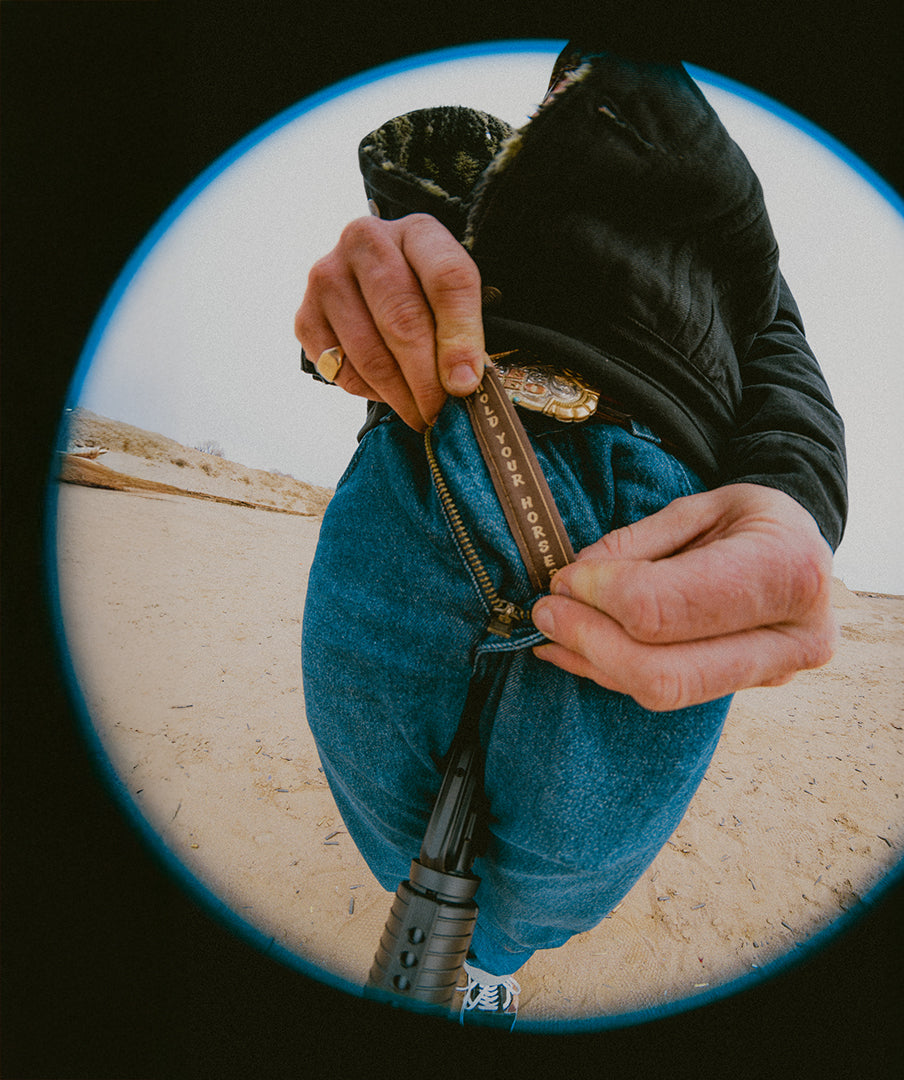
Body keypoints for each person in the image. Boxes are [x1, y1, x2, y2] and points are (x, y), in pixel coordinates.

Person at [295, 42, 846, 1025]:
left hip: (647, 509)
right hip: (415, 468)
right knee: (382, 817)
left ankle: (488, 963)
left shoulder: (720, 218)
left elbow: (777, 349)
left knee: (561, 881)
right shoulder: (492, 173)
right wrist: (350, 318)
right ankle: (468, 952)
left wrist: (798, 499)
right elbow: (369, 313)